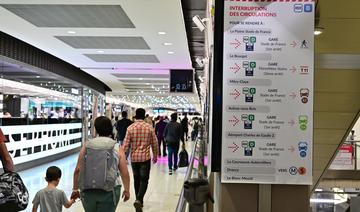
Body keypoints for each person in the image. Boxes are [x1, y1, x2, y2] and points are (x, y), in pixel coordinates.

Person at [71, 116, 130, 212]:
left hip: (88, 189)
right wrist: (127, 190)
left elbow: (78, 169)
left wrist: (75, 189)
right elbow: (124, 172)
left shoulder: (87, 145)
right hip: (111, 190)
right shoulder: (116, 146)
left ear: (96, 129)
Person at [123, 108, 158, 212]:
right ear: (144, 116)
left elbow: (126, 144)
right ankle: (139, 199)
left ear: (135, 116)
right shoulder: (149, 128)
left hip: (134, 158)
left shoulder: (130, 128)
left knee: (136, 179)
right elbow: (154, 143)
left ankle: (139, 200)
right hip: (145, 158)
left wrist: (123, 157)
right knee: (144, 179)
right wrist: (155, 155)